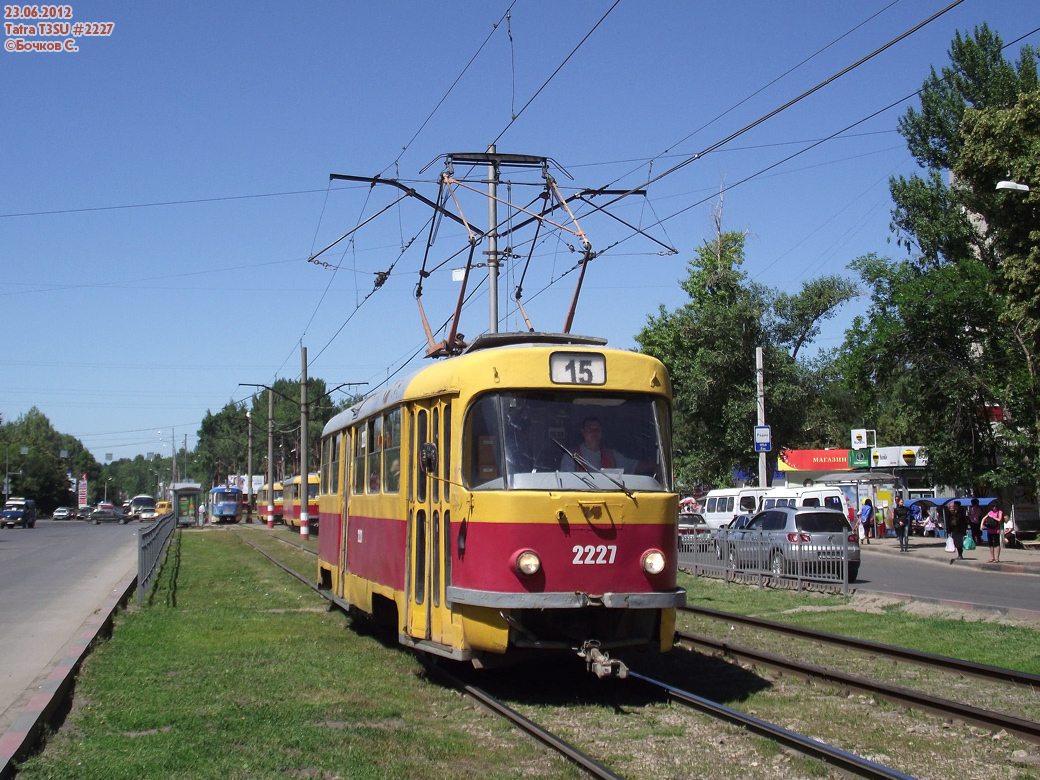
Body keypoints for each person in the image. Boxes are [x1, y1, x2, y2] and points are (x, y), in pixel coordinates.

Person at [559, 416, 653, 474]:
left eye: (597, 430)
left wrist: (654, 467)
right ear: (583, 432)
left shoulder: (611, 455)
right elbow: (567, 480)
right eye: (590, 430)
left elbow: (633, 466)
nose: (594, 433)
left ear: (601, 432)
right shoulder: (571, 455)